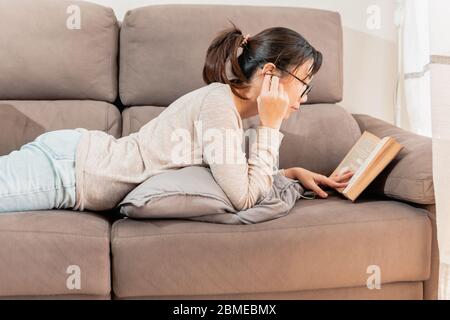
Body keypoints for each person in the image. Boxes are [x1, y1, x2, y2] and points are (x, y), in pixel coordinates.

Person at [0, 24, 353, 213]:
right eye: (304, 83)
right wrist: (271, 126)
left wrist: (287, 174)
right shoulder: (219, 104)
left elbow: (232, 177)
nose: (304, 99)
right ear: (271, 73)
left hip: (74, 161)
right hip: (68, 171)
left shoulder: (229, 112)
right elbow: (242, 197)